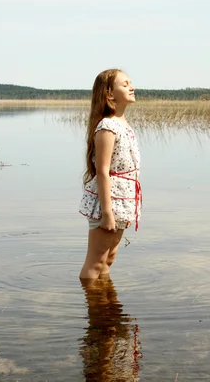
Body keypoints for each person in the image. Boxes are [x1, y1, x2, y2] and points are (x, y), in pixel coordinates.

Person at [78, 69, 142, 280]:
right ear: (109, 94)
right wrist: (107, 213)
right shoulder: (107, 126)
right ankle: (93, 306)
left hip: (122, 200)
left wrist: (129, 208)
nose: (131, 87)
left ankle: (106, 305)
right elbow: (103, 172)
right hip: (108, 203)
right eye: (125, 84)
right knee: (96, 262)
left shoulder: (124, 125)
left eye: (130, 83)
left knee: (109, 259)